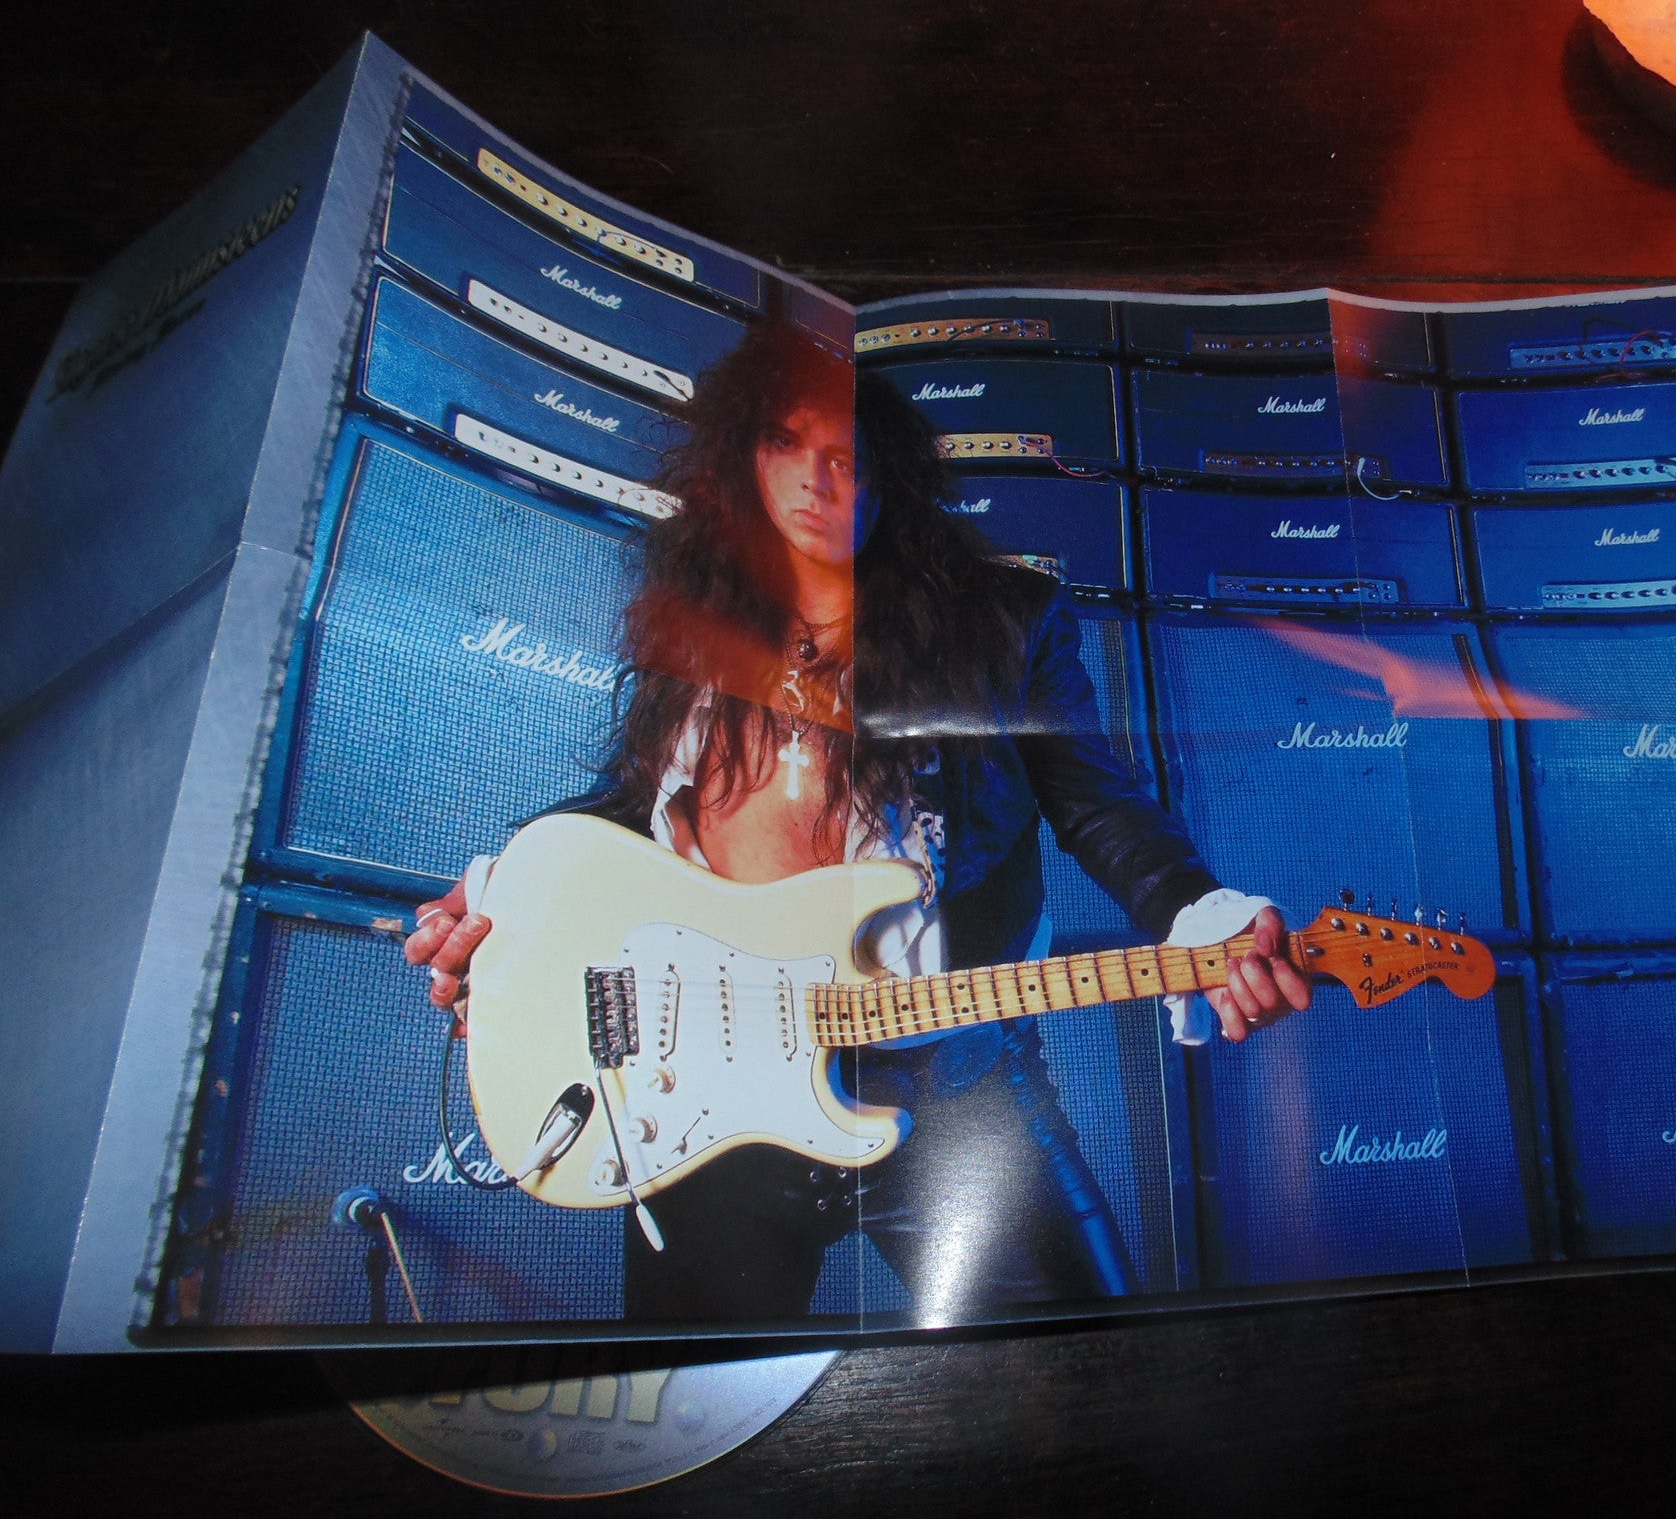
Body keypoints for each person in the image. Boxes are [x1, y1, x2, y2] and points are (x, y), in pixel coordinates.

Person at [403, 321, 1309, 1323]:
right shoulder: (697, 619)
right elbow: (637, 807)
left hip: (953, 1088)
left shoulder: (1004, 622)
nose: (814, 479)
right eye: (784, 443)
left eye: (845, 457)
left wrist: (1198, 913)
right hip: (707, 1099)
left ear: (890, 481)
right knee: (697, 1399)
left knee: (1085, 1367)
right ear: (738, 461)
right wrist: (510, 900)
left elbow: (1097, 803)